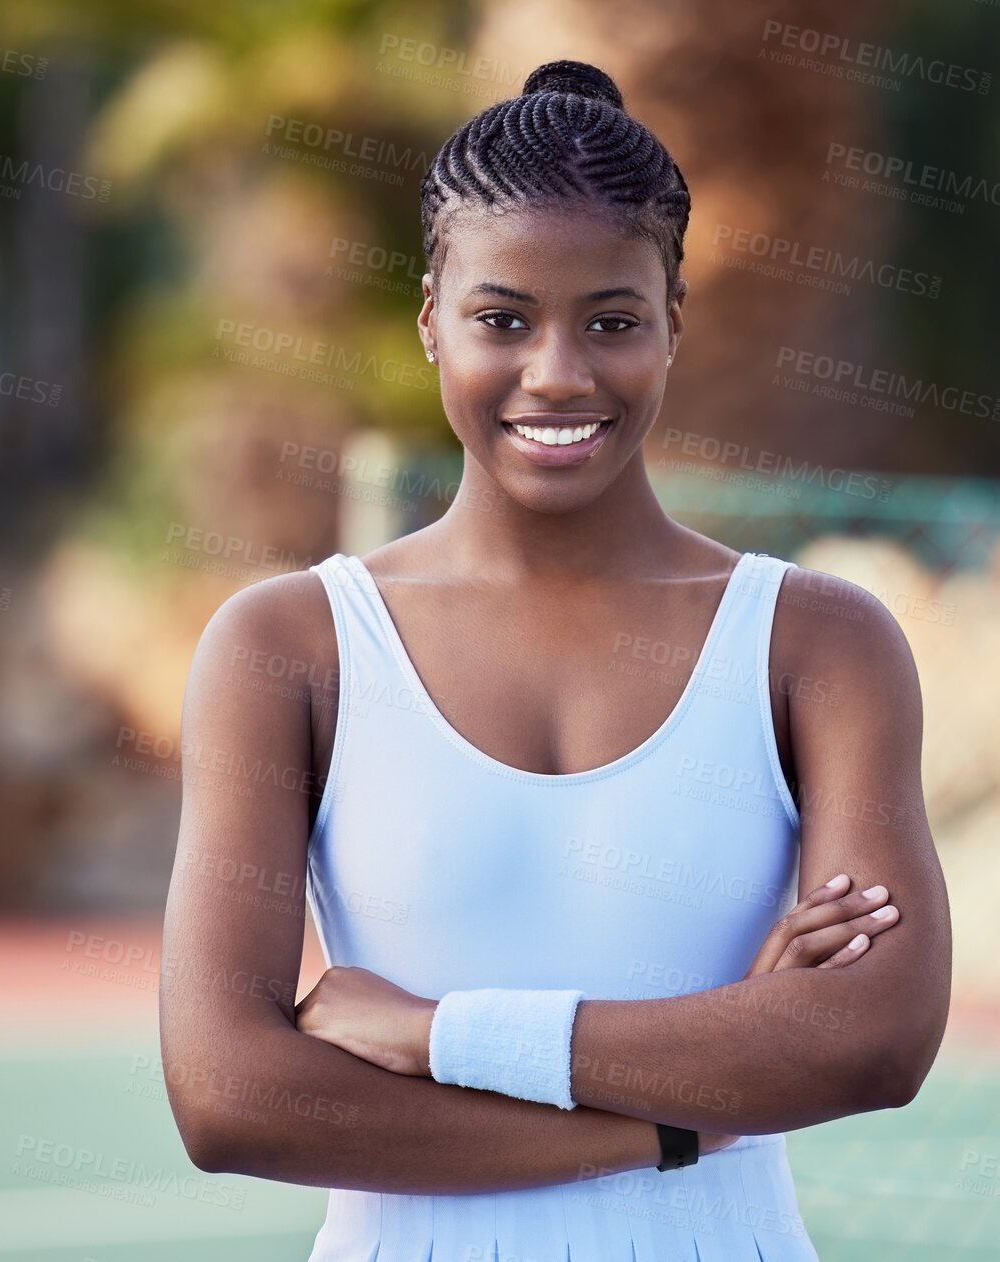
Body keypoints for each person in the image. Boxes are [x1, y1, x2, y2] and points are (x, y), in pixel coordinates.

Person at [159, 58, 951, 1260]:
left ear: (673, 322)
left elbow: (871, 1040)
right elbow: (231, 1096)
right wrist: (684, 1118)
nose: (558, 373)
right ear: (430, 317)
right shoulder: (287, 646)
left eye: (612, 320)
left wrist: (432, 1032)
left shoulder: (817, 643)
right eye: (501, 318)